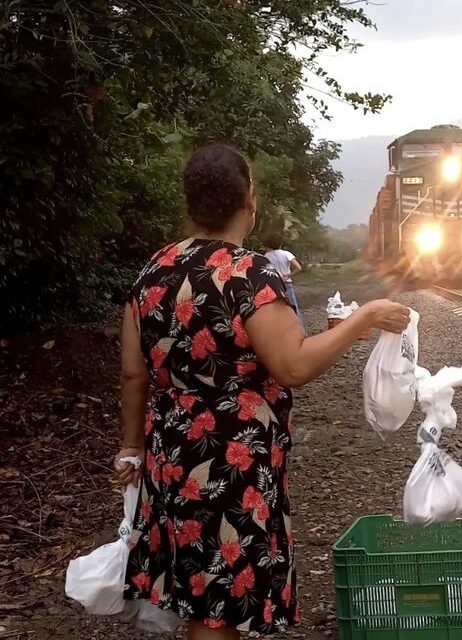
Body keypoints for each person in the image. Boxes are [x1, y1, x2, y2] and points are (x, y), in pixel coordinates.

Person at [112, 143, 409, 640]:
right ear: (249, 198)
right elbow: (292, 364)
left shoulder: (152, 272)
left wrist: (129, 448)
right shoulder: (248, 274)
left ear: (190, 201)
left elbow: (132, 375)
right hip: (231, 460)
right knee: (219, 604)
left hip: (169, 454)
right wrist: (366, 316)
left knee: (198, 585)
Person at [264, 235, 305, 333]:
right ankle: (301, 332)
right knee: (294, 308)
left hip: (274, 285)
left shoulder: (266, 256)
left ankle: (282, 333)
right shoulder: (286, 254)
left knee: (277, 310)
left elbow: (268, 271)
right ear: (281, 244)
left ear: (268, 245)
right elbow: (299, 268)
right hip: (287, 284)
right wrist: (288, 275)